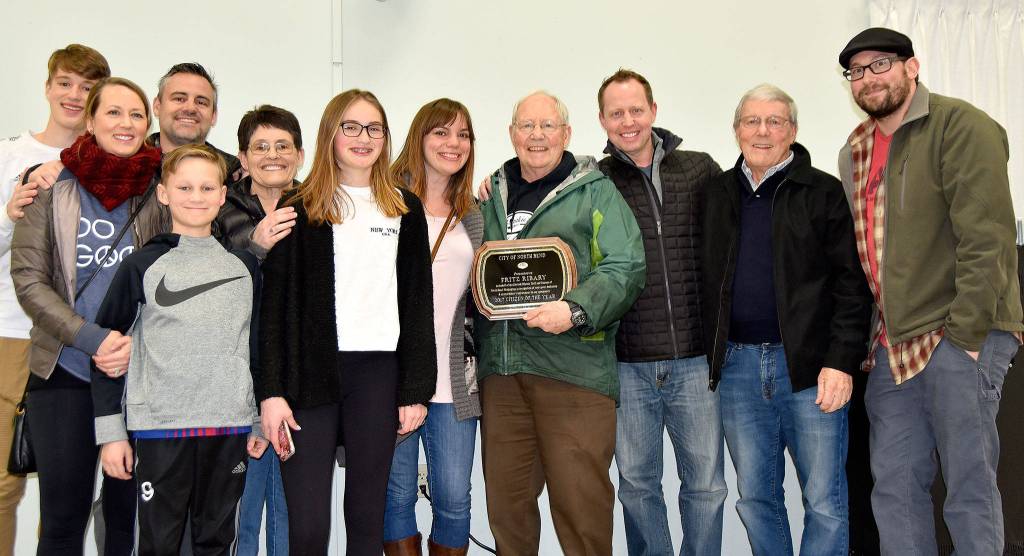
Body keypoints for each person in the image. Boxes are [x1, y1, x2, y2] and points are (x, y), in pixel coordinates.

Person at [836, 27, 1023, 555]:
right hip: (892, 347)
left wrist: (964, 335)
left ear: (911, 67)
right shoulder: (854, 149)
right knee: (893, 490)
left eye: (881, 65)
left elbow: (987, 237)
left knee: (968, 488)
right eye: (856, 71)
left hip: (955, 334)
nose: (868, 79)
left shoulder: (961, 125)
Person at [257, 89, 436, 556]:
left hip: (378, 375)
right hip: (307, 376)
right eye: (351, 127)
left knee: (365, 520)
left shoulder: (405, 207)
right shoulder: (298, 206)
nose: (363, 137)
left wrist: (416, 389)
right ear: (330, 134)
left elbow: (419, 303)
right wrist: (270, 394)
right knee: (309, 527)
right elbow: (272, 311)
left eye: (374, 128)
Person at [701, 84, 872, 555]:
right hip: (736, 371)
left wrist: (840, 362)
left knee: (824, 500)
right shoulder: (715, 194)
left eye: (775, 121)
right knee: (756, 499)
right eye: (752, 121)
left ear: (792, 130)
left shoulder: (822, 192)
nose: (763, 131)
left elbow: (851, 286)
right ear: (737, 131)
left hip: (811, 372)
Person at [476, 90, 645, 556]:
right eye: (526, 126)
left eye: (547, 126)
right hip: (503, 375)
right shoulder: (490, 194)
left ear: (566, 134)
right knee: (506, 512)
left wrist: (573, 309)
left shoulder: (595, 190)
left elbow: (625, 266)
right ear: (511, 135)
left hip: (573, 372)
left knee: (581, 511)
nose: (536, 136)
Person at [11, 76, 165, 555]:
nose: (125, 123)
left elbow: (171, 281)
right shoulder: (52, 184)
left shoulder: (161, 193)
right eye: (113, 112)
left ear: (148, 124)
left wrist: (132, 345)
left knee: (125, 520)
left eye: (136, 114)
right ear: (92, 120)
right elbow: (30, 281)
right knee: (62, 520)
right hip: (64, 371)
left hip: (136, 377)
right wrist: (92, 338)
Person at [91, 144, 267, 555]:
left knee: (216, 543)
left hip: (228, 428)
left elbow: (253, 348)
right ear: (164, 193)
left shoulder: (244, 268)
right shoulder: (141, 265)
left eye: (208, 187)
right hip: (159, 430)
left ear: (223, 195)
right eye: (184, 186)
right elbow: (106, 352)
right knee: (158, 544)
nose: (197, 196)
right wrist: (112, 433)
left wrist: (257, 419)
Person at [596, 69, 727, 556]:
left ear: (653, 110)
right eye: (616, 113)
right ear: (603, 120)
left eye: (636, 110)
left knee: (707, 487)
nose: (627, 121)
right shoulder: (595, 180)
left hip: (696, 361)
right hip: (627, 365)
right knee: (636, 485)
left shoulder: (699, 169)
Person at [0, 43, 109, 556]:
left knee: (69, 494)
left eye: (88, 88)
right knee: (5, 483)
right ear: (47, 87)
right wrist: (10, 213)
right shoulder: (11, 155)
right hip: (13, 334)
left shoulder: (112, 160)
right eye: (65, 83)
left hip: (82, 346)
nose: (74, 95)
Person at [382, 98, 481, 556]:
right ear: (419, 138)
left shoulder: (476, 213)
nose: (452, 143)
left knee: (455, 502)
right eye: (440, 132)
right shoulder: (385, 203)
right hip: (395, 376)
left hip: (455, 378)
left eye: (462, 134)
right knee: (395, 497)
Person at [217, 105, 304, 555]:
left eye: (283, 146)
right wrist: (256, 248)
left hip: (299, 371)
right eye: (261, 147)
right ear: (243, 159)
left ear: (300, 155)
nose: (273, 155)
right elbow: (207, 288)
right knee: (240, 508)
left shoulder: (319, 206)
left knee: (295, 506)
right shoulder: (218, 207)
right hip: (236, 374)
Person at [149, 63, 241, 182]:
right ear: (157, 106)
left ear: (214, 115)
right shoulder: (127, 166)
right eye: (179, 99)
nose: (190, 108)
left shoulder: (235, 177)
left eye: (201, 102)